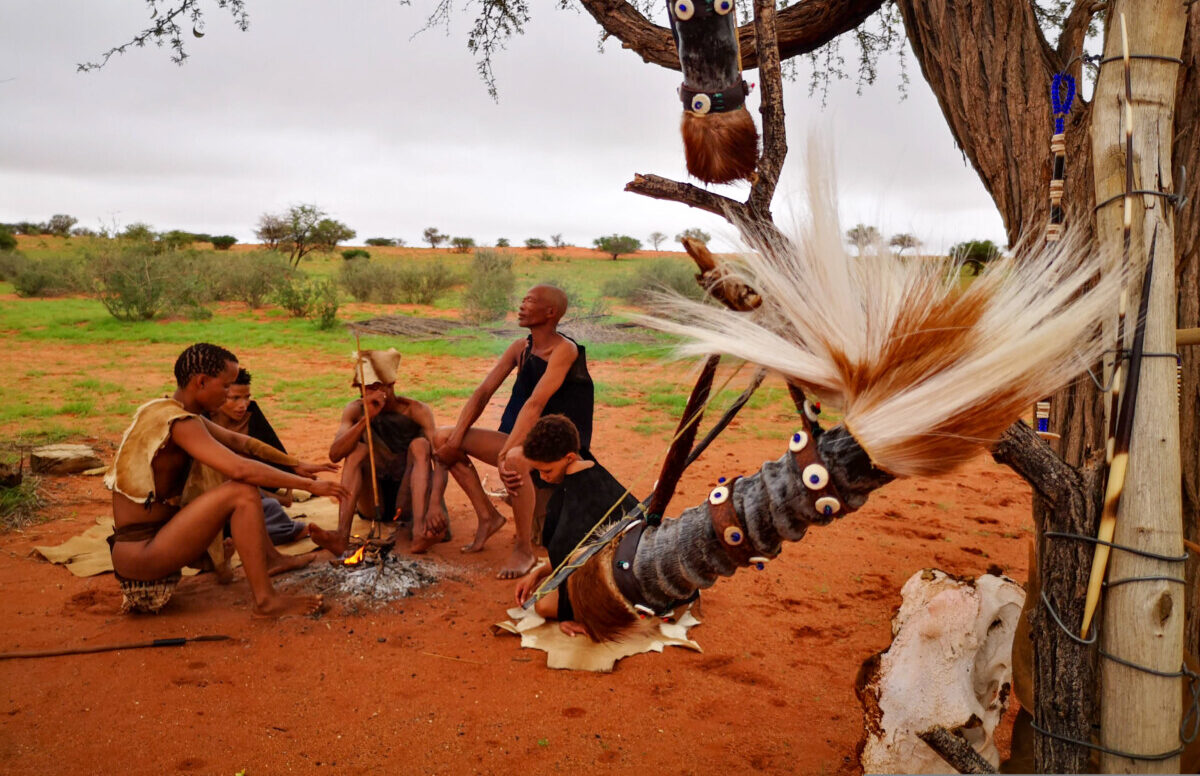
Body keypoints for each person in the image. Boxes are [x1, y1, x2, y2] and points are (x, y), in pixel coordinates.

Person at [105, 343, 348, 618]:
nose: (228, 394)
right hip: (143, 555)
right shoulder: (181, 423)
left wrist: (295, 465)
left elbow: (238, 441)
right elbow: (241, 468)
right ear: (201, 382)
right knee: (241, 490)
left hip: (152, 544)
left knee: (234, 478)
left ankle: (265, 560)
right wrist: (310, 486)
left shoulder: (168, 409)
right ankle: (265, 601)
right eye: (225, 387)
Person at [432, 284, 595, 579]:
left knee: (516, 459)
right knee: (442, 436)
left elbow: (535, 404)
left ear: (550, 312)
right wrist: (455, 440)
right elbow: (483, 392)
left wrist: (507, 453)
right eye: (522, 300)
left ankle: (524, 550)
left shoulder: (565, 350)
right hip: (521, 438)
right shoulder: (521, 347)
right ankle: (488, 516)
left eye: (529, 301)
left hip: (556, 446)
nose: (521, 306)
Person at [513, 415, 637, 636]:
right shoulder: (594, 470)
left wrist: (570, 613)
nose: (544, 478)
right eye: (538, 471)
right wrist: (538, 572)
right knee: (545, 591)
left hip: (621, 579)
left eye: (548, 471)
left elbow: (569, 556)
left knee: (543, 605)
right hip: (629, 565)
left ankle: (584, 617)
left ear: (569, 457)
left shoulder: (573, 497)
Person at [328, 348, 440, 555]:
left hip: (406, 499)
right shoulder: (355, 410)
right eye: (366, 388)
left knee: (420, 445)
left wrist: (435, 504)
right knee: (357, 451)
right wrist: (366, 419)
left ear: (390, 386)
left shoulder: (416, 411)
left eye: (376, 387)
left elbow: (441, 458)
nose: (370, 394)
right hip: (372, 499)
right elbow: (335, 454)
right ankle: (341, 536)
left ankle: (419, 533)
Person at [209, 367, 317, 547]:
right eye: (235, 398)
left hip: (248, 484)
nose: (243, 404)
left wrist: (294, 466)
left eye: (247, 397)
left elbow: (267, 449)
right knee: (264, 509)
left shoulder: (250, 414)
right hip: (214, 492)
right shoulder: (202, 419)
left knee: (265, 507)